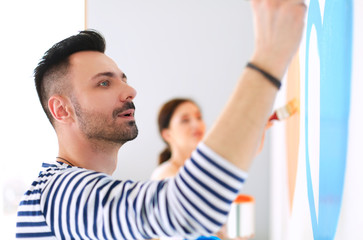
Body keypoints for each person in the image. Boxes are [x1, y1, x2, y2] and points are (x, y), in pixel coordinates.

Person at [15, 0, 306, 239]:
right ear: (61, 110)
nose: (130, 91)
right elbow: (188, 208)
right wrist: (269, 57)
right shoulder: (57, 194)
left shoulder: (78, 199)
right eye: (104, 83)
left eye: (123, 80)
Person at [151, 98, 206, 180]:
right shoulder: (165, 174)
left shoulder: (207, 168)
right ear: (167, 135)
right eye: (185, 120)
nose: (196, 124)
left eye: (199, 117)